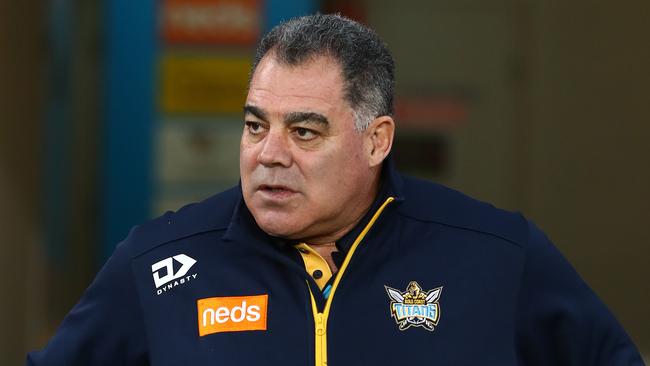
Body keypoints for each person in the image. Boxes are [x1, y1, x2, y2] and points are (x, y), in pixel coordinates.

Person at [27, 13, 644, 366]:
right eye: (254, 125)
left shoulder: (497, 255)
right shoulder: (160, 264)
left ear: (376, 141)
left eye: (304, 131)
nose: (269, 155)